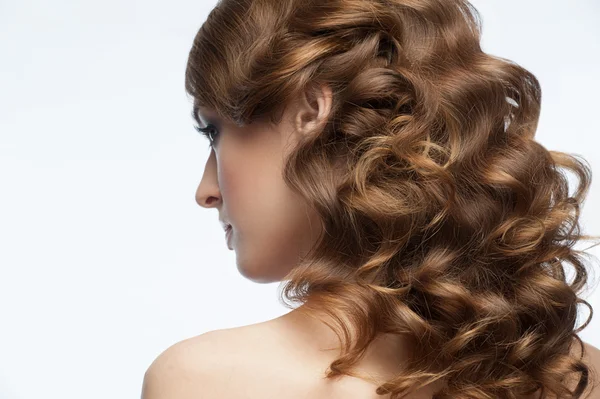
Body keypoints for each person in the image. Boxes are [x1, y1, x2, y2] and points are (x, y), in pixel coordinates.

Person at [141, 0, 600, 397]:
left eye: (215, 130)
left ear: (310, 110)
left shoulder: (203, 381)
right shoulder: (582, 376)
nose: (207, 191)